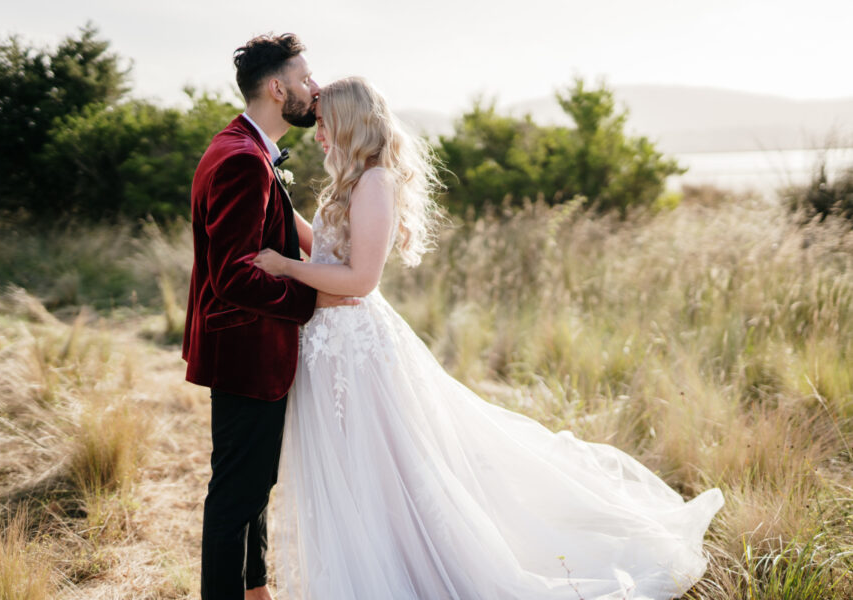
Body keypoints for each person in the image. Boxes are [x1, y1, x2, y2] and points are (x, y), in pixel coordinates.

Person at [252, 76, 725, 600]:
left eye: (323, 123)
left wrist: (285, 269)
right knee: (355, 471)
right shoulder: (353, 181)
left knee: (390, 470)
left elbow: (361, 280)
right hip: (331, 347)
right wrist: (280, 211)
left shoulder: (375, 183)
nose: (317, 134)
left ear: (347, 122)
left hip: (359, 350)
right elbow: (332, 253)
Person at [182, 34, 355, 600]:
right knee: (237, 496)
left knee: (252, 487)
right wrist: (314, 301)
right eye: (306, 79)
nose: (315, 88)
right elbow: (232, 276)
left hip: (246, 350)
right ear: (277, 88)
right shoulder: (240, 160)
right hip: (246, 353)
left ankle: (257, 594)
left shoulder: (244, 147)